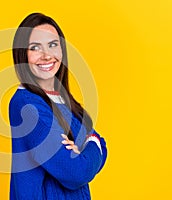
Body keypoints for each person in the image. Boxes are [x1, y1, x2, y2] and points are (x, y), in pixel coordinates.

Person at [9, 13, 107, 200]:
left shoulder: (64, 100)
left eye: (53, 45)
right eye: (35, 47)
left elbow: (100, 150)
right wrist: (92, 142)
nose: (47, 55)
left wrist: (90, 147)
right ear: (22, 54)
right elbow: (76, 173)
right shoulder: (27, 105)